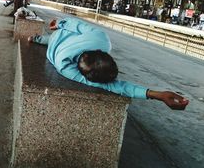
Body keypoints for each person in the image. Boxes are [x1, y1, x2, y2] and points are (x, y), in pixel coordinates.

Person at [28, 17, 189, 110]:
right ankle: (36, 39)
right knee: (46, 40)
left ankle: (35, 39)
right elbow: (114, 86)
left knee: (45, 40)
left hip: (57, 38)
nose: (81, 60)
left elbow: (76, 25)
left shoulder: (99, 40)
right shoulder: (67, 65)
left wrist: (59, 24)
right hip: (57, 40)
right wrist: (59, 24)